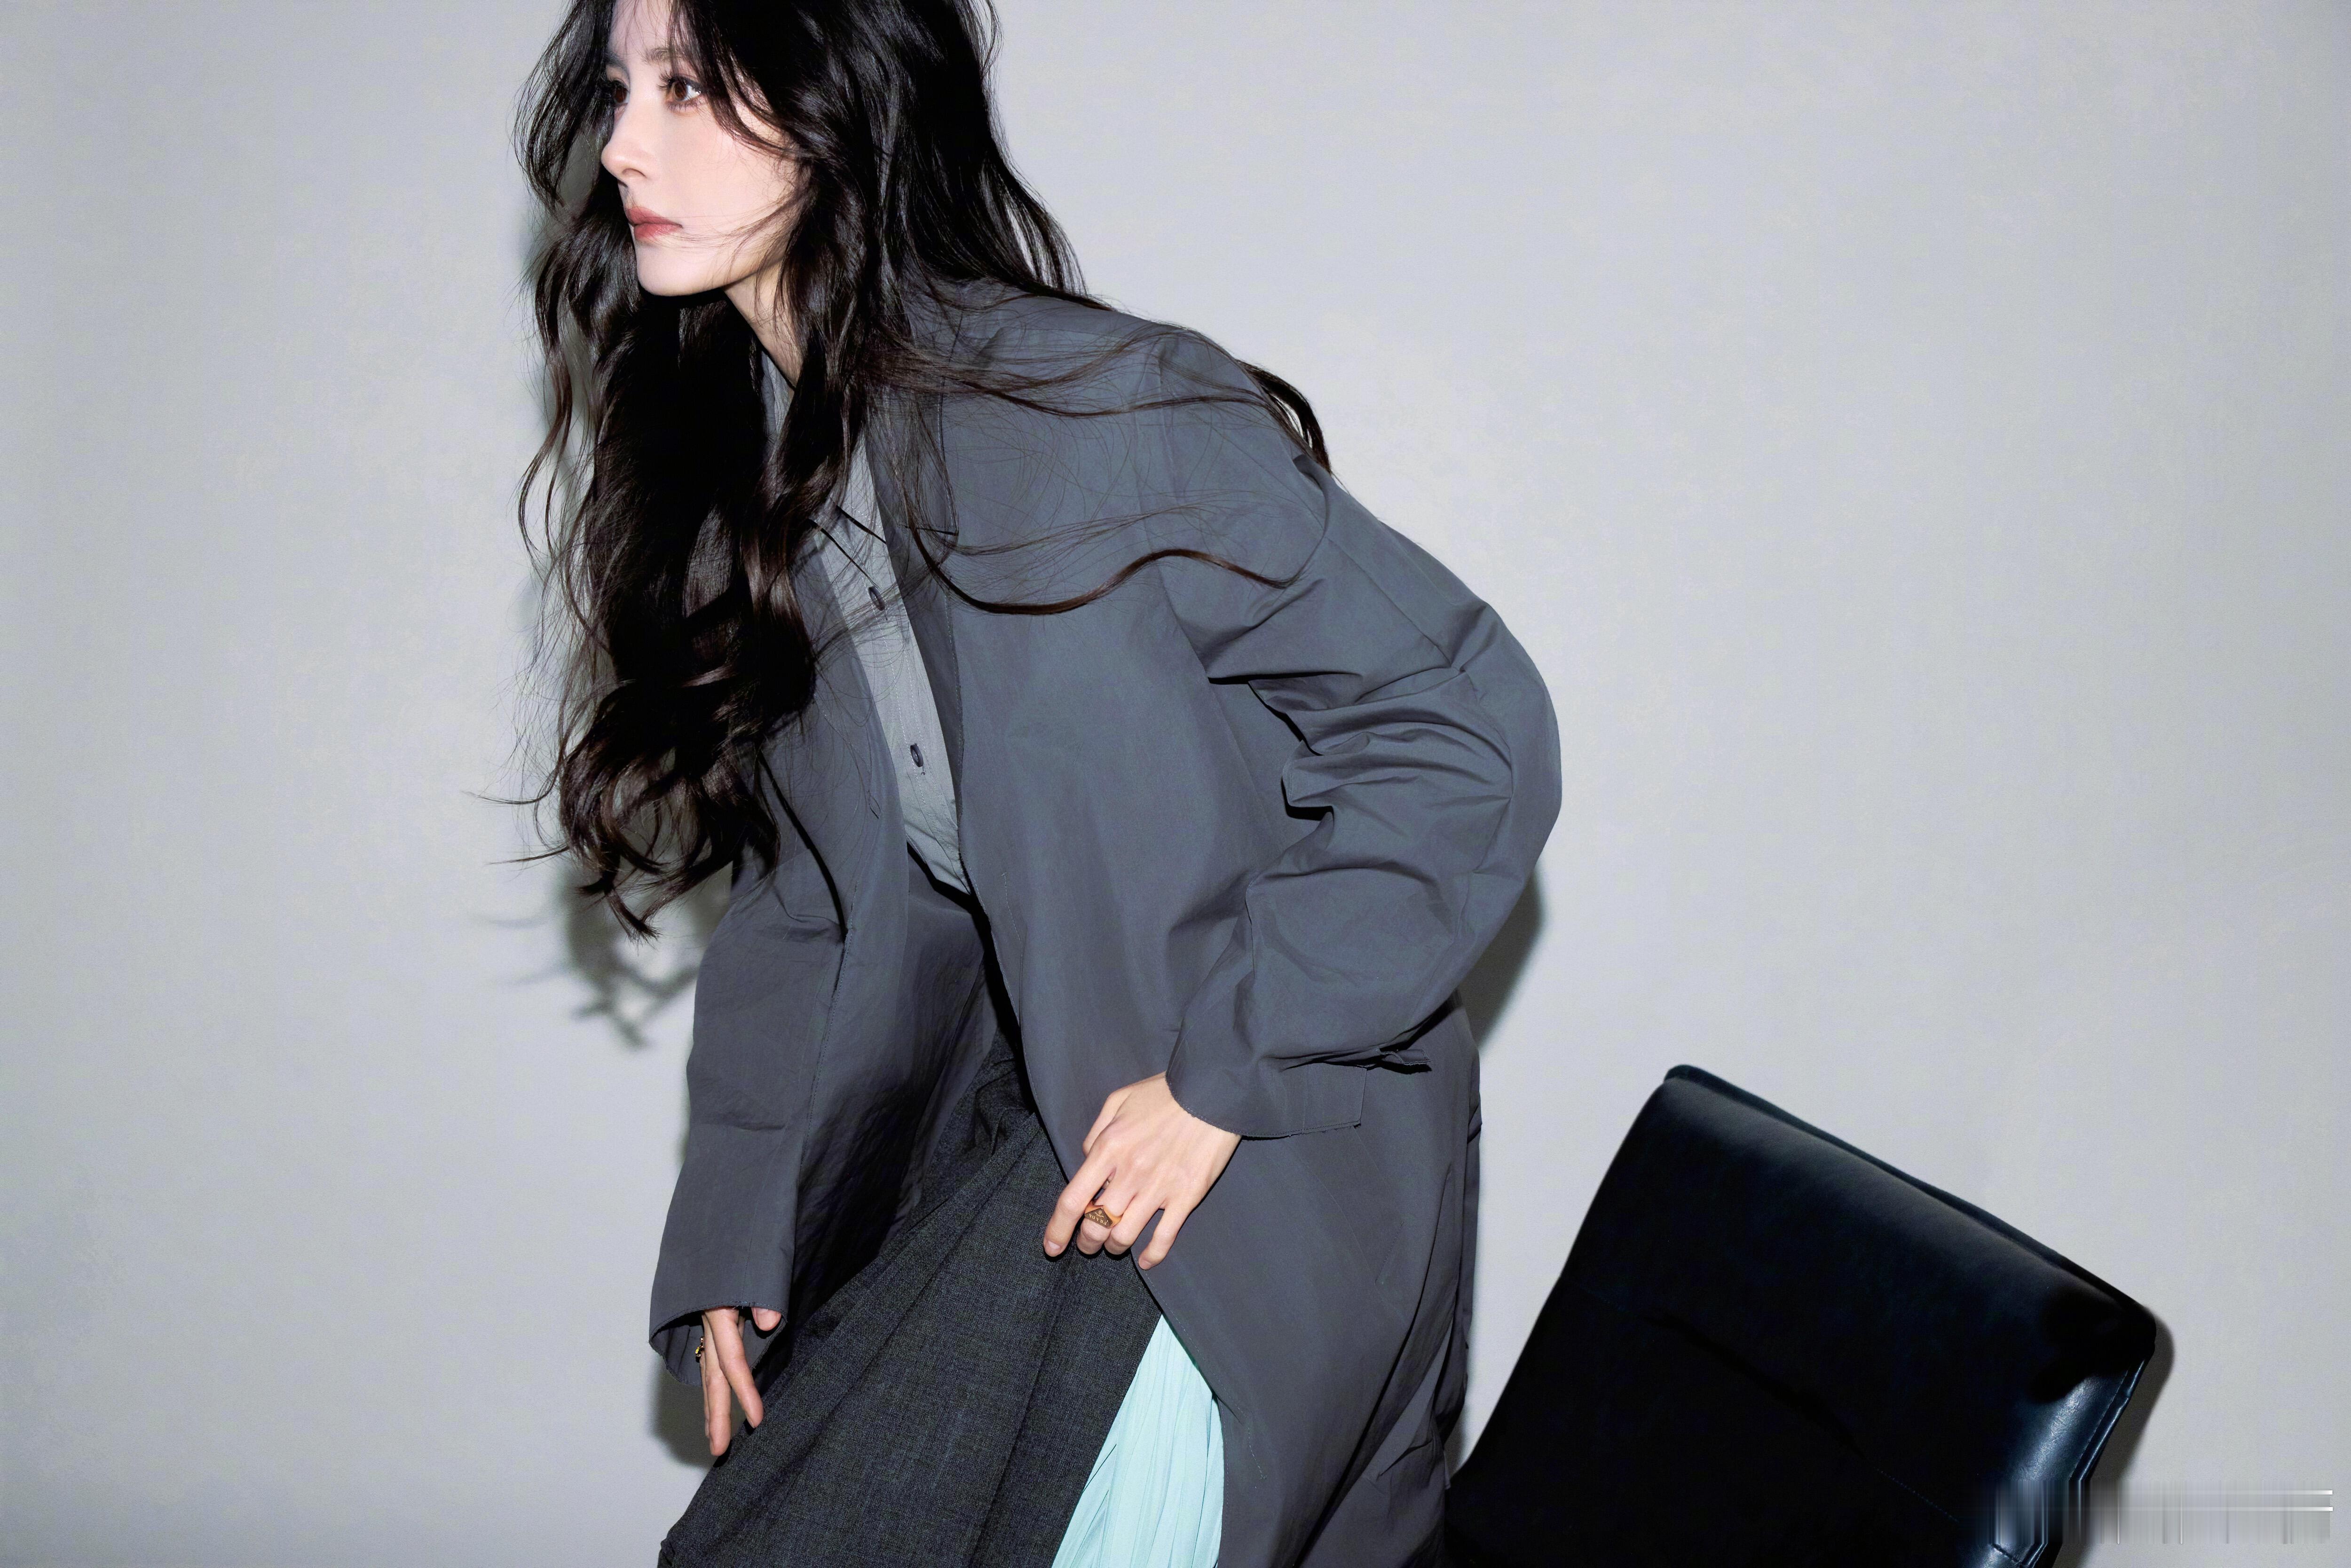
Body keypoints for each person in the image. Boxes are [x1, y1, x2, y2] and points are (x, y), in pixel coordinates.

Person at [514, 2, 1561, 1564]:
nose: (621, 148)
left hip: (1251, 1149)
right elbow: (814, 901)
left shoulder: (1096, 408)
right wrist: (741, 1216)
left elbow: (1465, 722)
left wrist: (1228, 1069)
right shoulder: (778, 482)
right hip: (1044, 1140)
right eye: (616, 92)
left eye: (686, 90)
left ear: (839, 109)